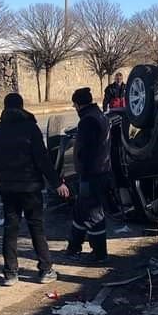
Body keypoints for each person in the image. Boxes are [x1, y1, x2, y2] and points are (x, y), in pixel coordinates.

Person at [0, 92, 69, 285]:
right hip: (31, 187)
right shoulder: (31, 129)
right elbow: (42, 160)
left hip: (7, 189)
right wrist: (57, 183)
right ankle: (45, 269)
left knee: (10, 228)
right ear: (21, 107)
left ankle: (11, 272)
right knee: (36, 227)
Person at [63, 86, 112, 263]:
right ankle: (74, 247)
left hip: (92, 174)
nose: (75, 109)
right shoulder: (99, 115)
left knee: (93, 214)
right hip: (100, 171)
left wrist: (83, 173)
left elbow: (87, 150)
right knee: (80, 211)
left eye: (74, 105)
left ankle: (99, 253)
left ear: (78, 104)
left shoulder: (88, 121)